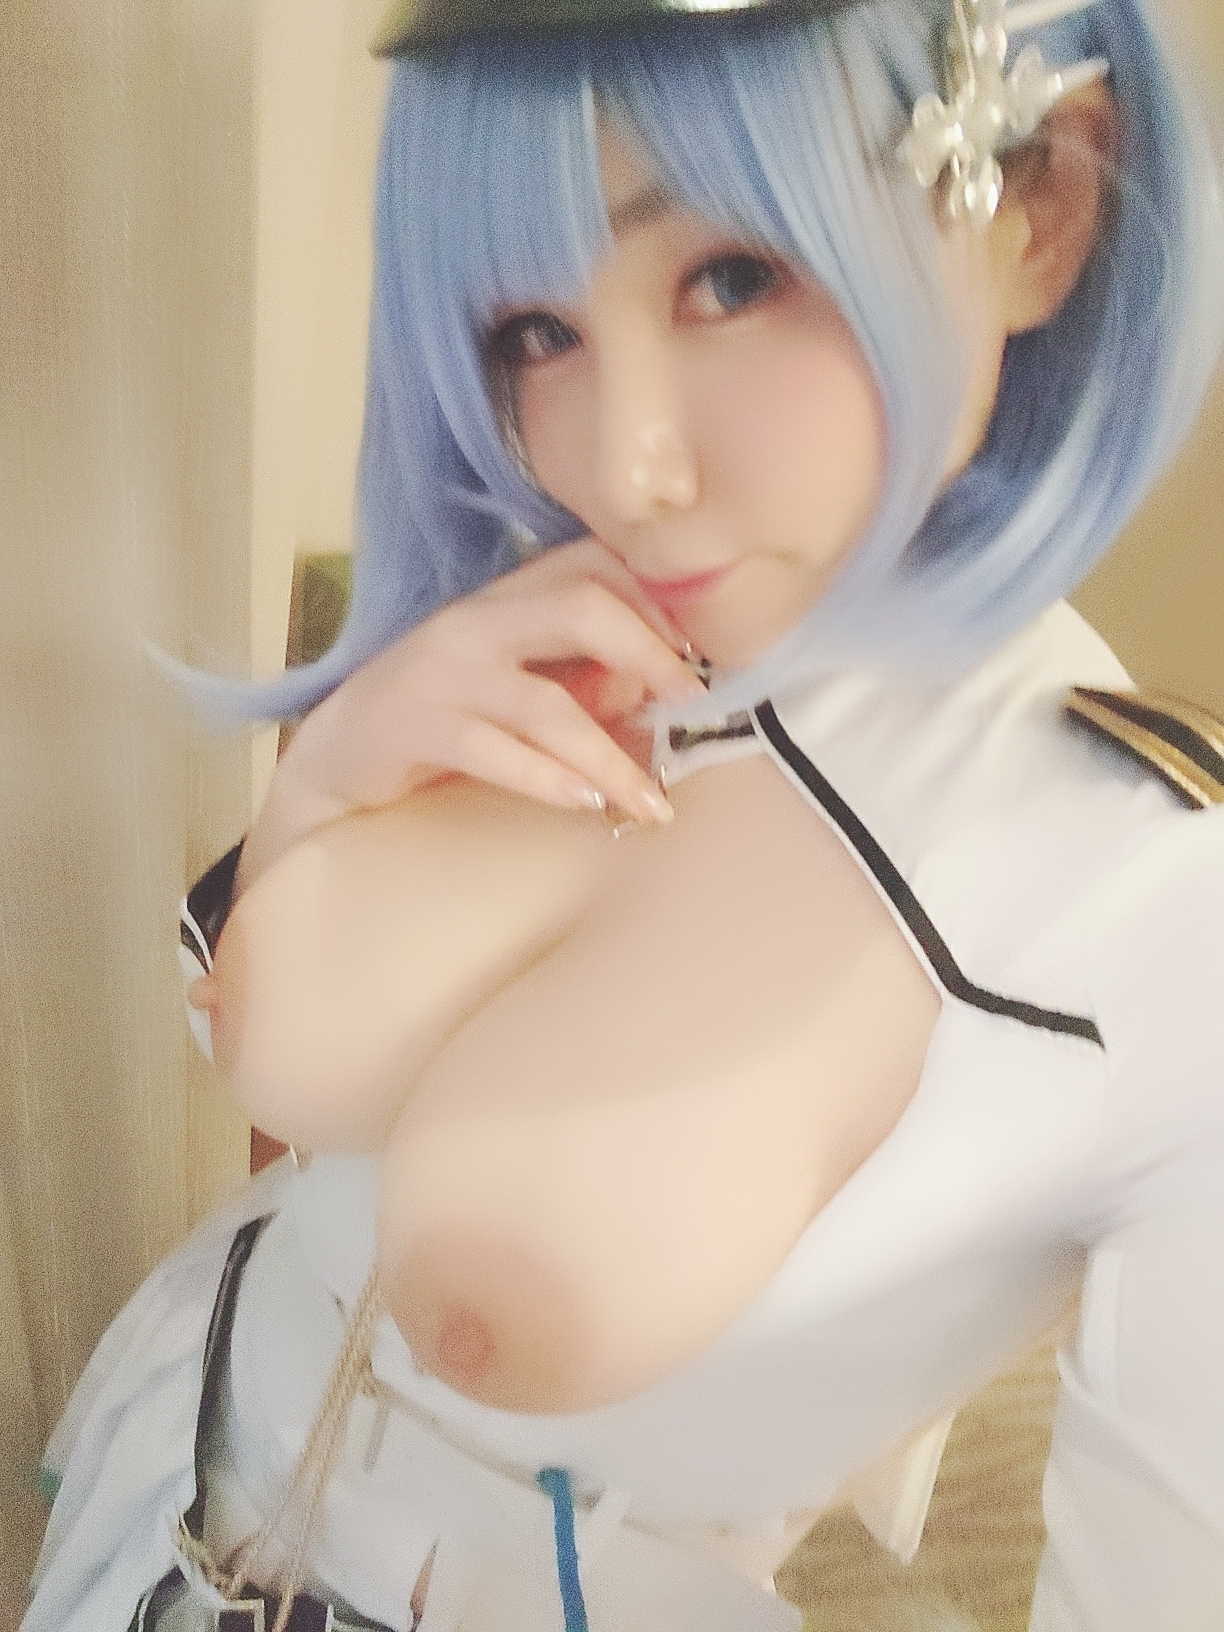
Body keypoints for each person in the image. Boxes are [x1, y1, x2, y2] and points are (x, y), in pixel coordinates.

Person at [23, 0, 1224, 1628]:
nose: (625, 466)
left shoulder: (1151, 909)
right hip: (154, 1472)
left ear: (1038, 203)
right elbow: (252, 1027)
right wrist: (326, 779)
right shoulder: (575, 615)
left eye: (731, 279)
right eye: (534, 328)